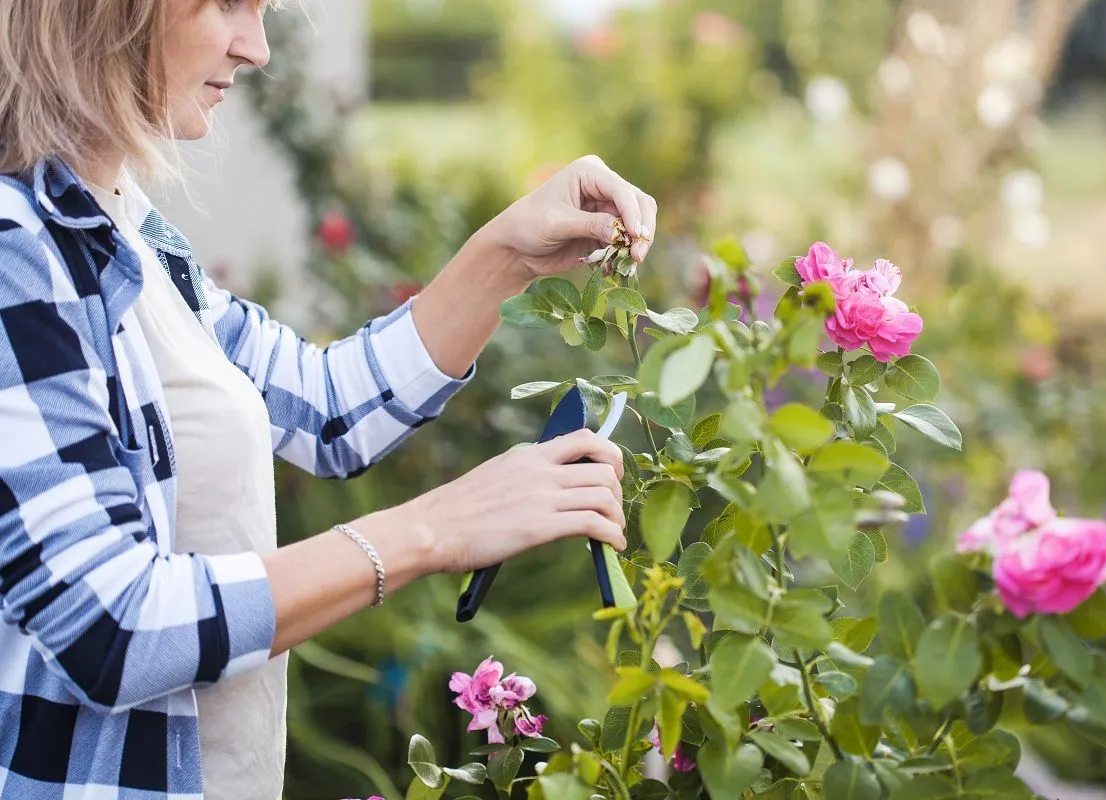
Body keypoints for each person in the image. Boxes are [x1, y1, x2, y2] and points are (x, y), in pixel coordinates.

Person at [0, 1, 657, 798]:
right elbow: (111, 626)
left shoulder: (117, 228)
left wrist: (506, 257)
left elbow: (323, 406)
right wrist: (436, 527)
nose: (257, 48)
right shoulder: (17, 255)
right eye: (230, 4)